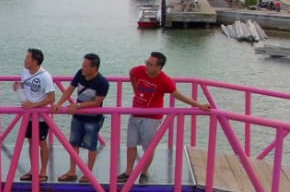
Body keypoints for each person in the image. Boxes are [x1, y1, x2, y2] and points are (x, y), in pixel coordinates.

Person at [120, 52, 211, 183]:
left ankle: (144, 172)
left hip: (152, 118)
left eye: (151, 65)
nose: (147, 66)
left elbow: (178, 95)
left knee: (148, 147)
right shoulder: (139, 70)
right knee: (131, 144)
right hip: (135, 114)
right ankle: (128, 172)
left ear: (159, 67)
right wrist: (135, 90)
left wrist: (199, 105)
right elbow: (131, 73)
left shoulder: (165, 81)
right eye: (147, 62)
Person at [53, 53, 110, 181]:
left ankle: (87, 173)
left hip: (93, 118)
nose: (82, 68)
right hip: (78, 116)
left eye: (85, 66)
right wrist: (59, 103)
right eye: (82, 65)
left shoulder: (102, 83)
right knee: (73, 143)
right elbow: (70, 89)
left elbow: (97, 102)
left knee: (91, 146)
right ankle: (72, 171)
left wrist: (78, 105)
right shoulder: (80, 73)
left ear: (94, 68)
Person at [11, 47, 55, 181]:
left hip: (41, 116)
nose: (25, 60)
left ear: (35, 61)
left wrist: (34, 105)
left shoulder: (45, 76)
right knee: (30, 142)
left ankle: (43, 171)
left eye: (28, 58)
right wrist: (19, 86)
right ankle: (33, 168)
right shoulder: (25, 71)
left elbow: (51, 97)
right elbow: (27, 86)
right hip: (28, 116)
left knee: (42, 142)